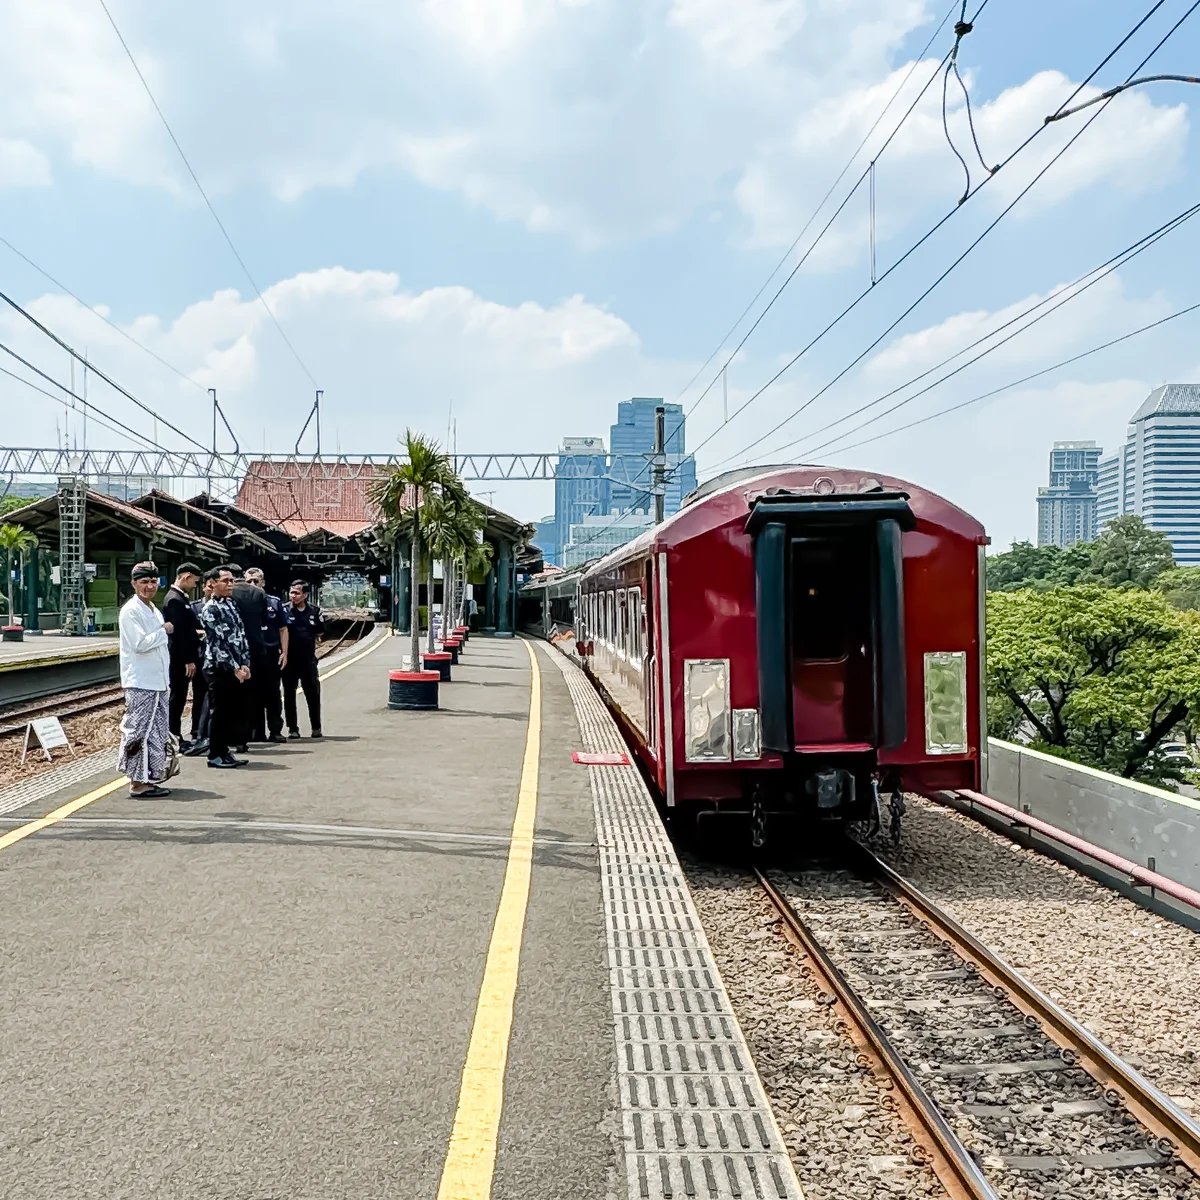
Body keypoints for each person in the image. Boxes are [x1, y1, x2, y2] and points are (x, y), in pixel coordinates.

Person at [117, 562, 173, 798]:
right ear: (134, 584)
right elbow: (139, 644)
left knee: (156, 731)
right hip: (140, 681)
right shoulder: (131, 611)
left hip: (157, 682)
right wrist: (164, 631)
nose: (149, 586)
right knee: (138, 731)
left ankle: (149, 776)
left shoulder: (152, 609)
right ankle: (137, 781)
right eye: (144, 582)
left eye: (153, 581)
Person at [200, 566, 251, 769]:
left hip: (236, 666)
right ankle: (215, 754)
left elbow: (240, 636)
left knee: (230, 712)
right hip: (218, 668)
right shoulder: (210, 609)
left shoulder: (231, 604)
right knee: (219, 712)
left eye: (232, 581)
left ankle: (224, 751)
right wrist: (234, 667)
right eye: (225, 581)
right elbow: (218, 643)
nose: (230, 584)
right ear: (212, 583)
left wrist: (245, 663)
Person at [162, 562, 206, 757]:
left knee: (179, 697)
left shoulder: (180, 598)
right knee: (177, 697)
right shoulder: (175, 600)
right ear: (186, 577)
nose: (195, 585)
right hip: (179, 657)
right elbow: (179, 634)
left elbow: (186, 628)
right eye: (195, 581)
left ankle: (176, 735)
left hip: (182, 655)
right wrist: (189, 659)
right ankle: (174, 735)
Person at [245, 567, 289, 744]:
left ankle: (276, 730)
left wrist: (284, 652)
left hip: (271, 654)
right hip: (251, 654)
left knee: (272, 694)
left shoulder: (274, 602)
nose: (253, 584)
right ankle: (256, 731)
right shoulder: (242, 602)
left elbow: (283, 628)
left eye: (256, 581)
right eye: (249, 581)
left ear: (263, 582)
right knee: (251, 694)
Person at [228, 563, 268, 751]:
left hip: (233, 651)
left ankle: (232, 736)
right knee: (254, 694)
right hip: (256, 649)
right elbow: (264, 621)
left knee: (231, 695)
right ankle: (253, 733)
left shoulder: (228, 594)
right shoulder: (259, 594)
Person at [283, 580, 323, 739]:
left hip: (308, 660)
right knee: (289, 695)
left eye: (297, 593)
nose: (293, 596)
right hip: (289, 661)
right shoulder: (284, 610)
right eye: (291, 592)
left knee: (313, 694)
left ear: (305, 595)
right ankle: (292, 728)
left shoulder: (315, 611)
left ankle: (316, 727)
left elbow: (320, 631)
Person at [185, 574, 215, 753]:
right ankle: (196, 730)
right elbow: (188, 629)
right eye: (208, 587)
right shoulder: (194, 607)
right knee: (198, 696)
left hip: (212, 660)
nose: (211, 591)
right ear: (204, 587)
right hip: (199, 655)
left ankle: (208, 733)